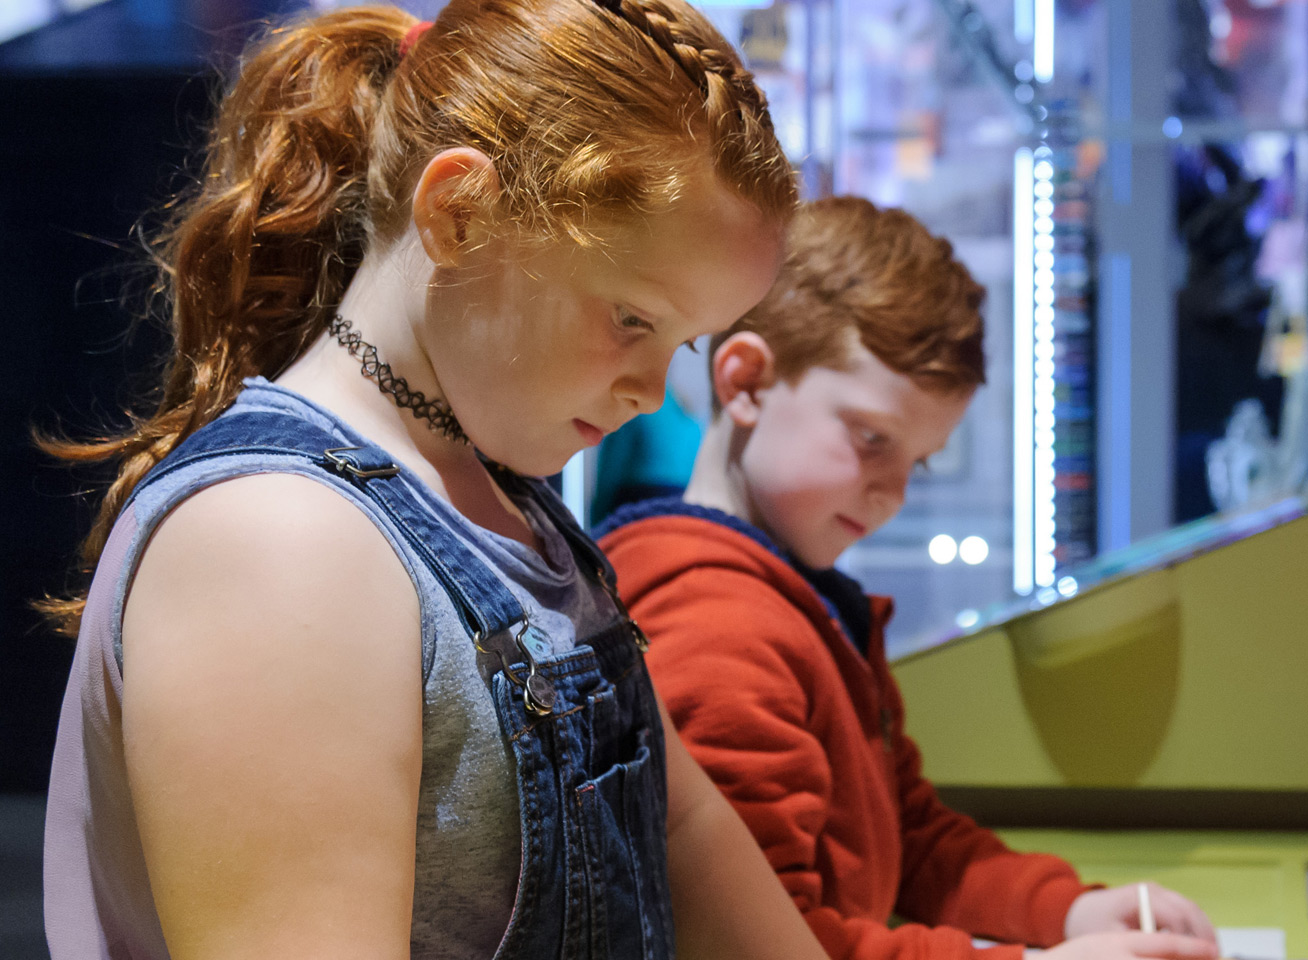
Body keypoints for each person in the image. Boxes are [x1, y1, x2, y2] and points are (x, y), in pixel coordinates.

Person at [39, 3, 834, 958]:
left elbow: (685, 830)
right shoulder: (280, 543)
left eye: (682, 343)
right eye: (631, 318)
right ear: (459, 212)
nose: (653, 392)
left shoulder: (504, 508)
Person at [594, 197, 1221, 960]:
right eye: (870, 439)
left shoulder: (797, 599)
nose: (892, 490)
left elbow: (913, 836)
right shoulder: (722, 630)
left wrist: (1066, 913)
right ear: (747, 381)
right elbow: (763, 941)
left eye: (915, 460)